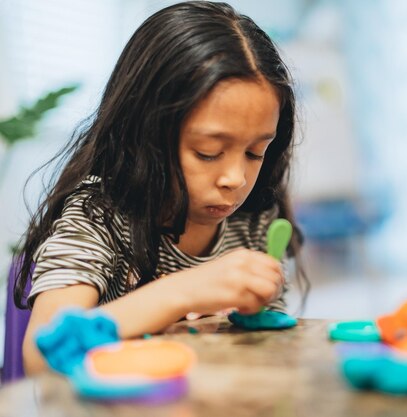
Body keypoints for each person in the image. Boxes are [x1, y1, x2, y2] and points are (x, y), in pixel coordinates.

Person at [13, 1, 308, 375]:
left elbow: (265, 353)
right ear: (145, 134)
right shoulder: (98, 220)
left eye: (254, 152)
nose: (235, 178)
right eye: (208, 152)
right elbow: (42, 358)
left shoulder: (255, 224)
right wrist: (180, 292)